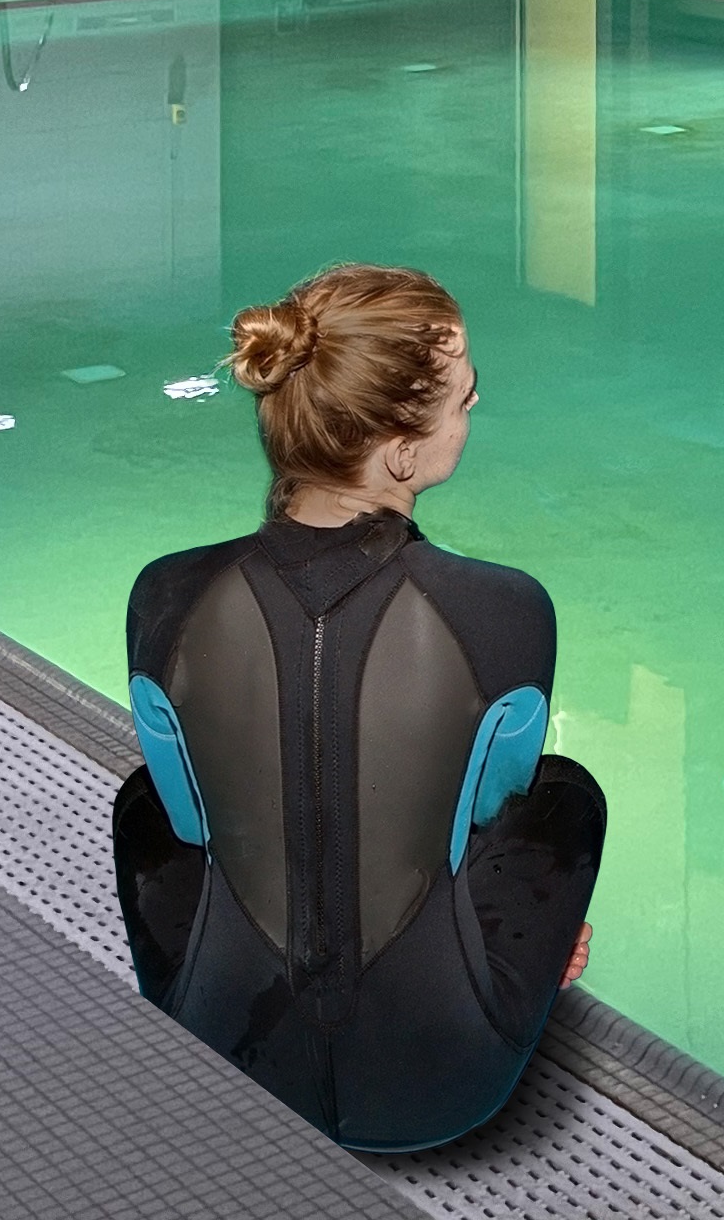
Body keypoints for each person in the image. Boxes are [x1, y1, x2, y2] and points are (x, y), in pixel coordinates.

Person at [113, 264, 607, 1155]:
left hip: (224, 1050)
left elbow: (192, 818)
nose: (475, 407)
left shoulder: (165, 594)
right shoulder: (503, 608)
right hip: (440, 1082)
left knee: (144, 801)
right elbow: (483, 824)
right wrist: (536, 937)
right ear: (403, 454)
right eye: (464, 397)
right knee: (563, 796)